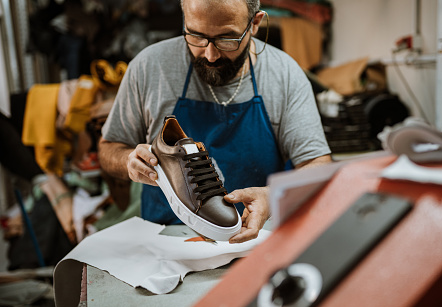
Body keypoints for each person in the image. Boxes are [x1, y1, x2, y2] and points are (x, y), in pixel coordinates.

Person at [98, 0, 332, 243]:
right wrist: (128, 161)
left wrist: (273, 198)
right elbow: (108, 148)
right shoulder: (148, 67)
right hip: (166, 241)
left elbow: (318, 165)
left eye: (227, 38)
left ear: (255, 24)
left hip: (252, 240)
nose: (210, 54)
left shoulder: (285, 75)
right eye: (196, 35)